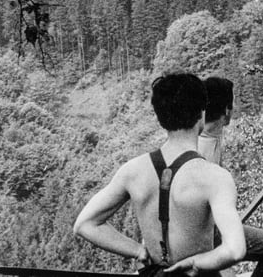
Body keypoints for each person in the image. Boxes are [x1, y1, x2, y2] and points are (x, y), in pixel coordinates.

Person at [74, 74, 246, 276]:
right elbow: (235, 250)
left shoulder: (132, 171)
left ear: (160, 117)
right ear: (202, 113)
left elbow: (84, 224)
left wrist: (137, 250)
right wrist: (194, 262)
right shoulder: (215, 178)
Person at [200, 76, 263, 277]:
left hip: (210, 228)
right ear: (227, 111)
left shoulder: (208, 136)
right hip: (206, 232)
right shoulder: (203, 150)